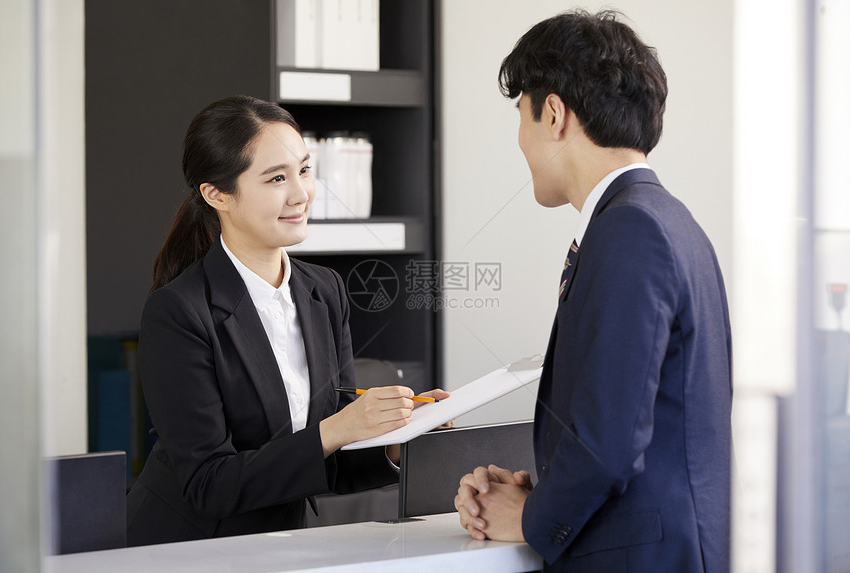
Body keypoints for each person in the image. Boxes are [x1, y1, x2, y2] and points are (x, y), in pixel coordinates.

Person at [454, 10, 732, 572]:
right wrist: (539, 490)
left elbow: (610, 439)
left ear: (553, 113)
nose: (521, 142)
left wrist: (531, 516)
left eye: (522, 118)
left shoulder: (631, 228)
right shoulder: (666, 218)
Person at [126, 95, 448, 546]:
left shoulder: (324, 291)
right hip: (188, 548)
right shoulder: (178, 312)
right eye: (276, 178)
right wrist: (338, 428)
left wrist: (394, 441)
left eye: (304, 169)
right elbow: (207, 485)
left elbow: (323, 458)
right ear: (217, 194)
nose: (301, 193)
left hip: (279, 545)